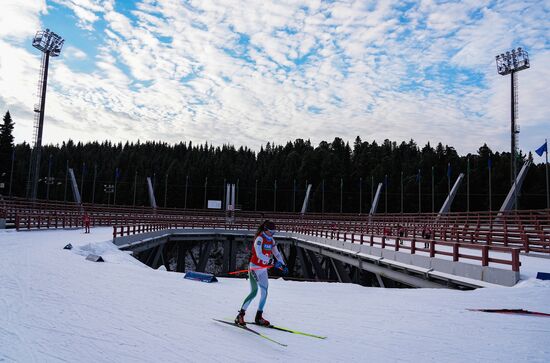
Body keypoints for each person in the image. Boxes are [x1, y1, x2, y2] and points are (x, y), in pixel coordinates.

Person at [235, 220, 288, 327]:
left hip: (263, 270)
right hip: (254, 268)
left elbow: (277, 254)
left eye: (274, 232)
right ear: (265, 230)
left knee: (264, 292)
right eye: (271, 232)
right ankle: (240, 315)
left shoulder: (271, 240)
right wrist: (271, 261)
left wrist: (282, 264)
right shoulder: (259, 239)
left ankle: (258, 317)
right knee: (254, 292)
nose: (272, 234)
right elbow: (259, 254)